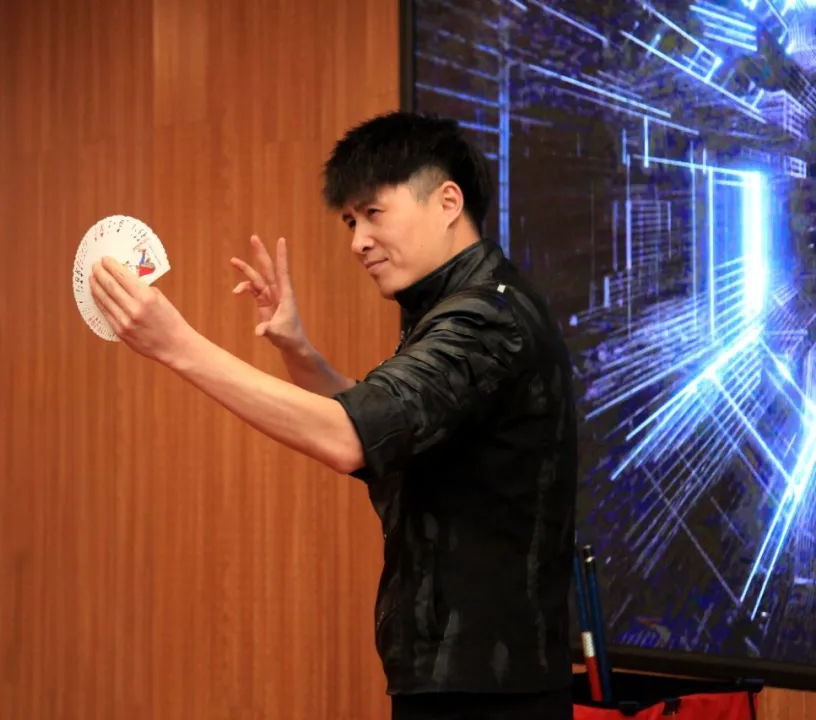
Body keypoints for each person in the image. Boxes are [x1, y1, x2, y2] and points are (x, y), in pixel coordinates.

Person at [89, 111, 577, 720]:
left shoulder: (487, 320)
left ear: (448, 202)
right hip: (463, 682)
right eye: (351, 221)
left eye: (374, 213)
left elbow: (351, 437)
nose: (358, 241)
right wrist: (299, 351)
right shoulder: (457, 307)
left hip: (491, 694)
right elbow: (386, 423)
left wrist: (176, 344)